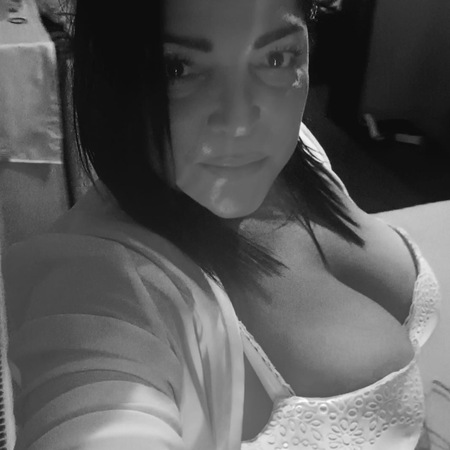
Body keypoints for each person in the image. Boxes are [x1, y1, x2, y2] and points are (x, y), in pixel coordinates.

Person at [2, 0, 441, 449]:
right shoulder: (97, 288)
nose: (239, 122)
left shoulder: (294, 151)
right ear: (110, 70)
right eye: (177, 68)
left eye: (276, 57)